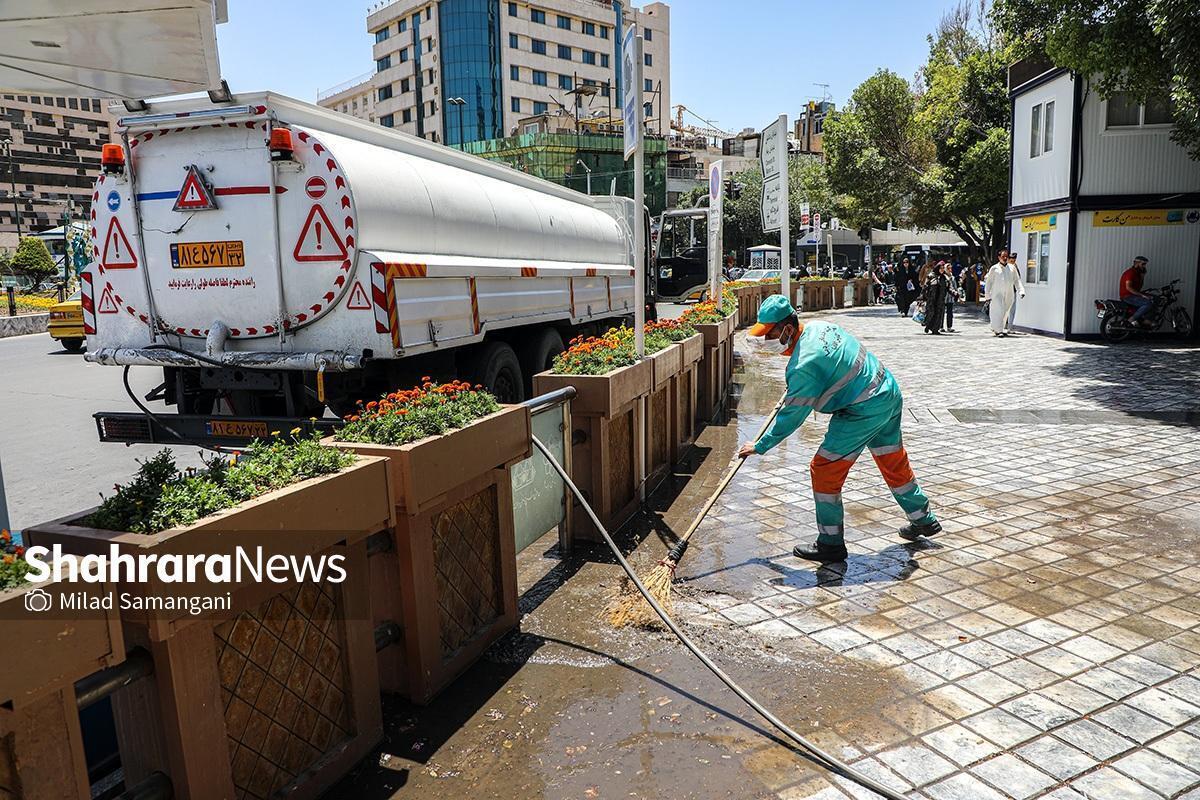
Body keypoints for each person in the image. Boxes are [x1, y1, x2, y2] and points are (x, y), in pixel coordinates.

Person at [738, 295, 941, 562]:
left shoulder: (803, 365)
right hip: (887, 391)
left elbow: (792, 416)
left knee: (824, 469)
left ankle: (830, 543)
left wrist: (760, 445)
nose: (767, 341)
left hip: (862, 409)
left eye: (770, 334)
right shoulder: (819, 328)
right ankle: (923, 518)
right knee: (892, 459)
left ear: (787, 329)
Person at [985, 248, 1024, 336]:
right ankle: (999, 330)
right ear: (999, 257)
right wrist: (987, 295)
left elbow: (1017, 280)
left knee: (1005, 312)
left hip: (1009, 294)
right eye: (1003, 256)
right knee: (998, 310)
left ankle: (999, 328)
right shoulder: (994, 268)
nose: (1005, 258)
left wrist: (1021, 291)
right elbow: (989, 282)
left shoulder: (1012, 268)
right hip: (997, 294)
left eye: (1006, 256)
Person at [1119, 256, 1153, 326]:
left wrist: (1142, 277)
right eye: (1143, 264)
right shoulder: (1130, 273)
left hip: (1133, 295)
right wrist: (1142, 295)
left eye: (1145, 264)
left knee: (1153, 298)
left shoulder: (1137, 274)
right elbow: (1128, 288)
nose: (1144, 266)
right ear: (1137, 263)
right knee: (1147, 303)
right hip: (1127, 296)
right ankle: (1132, 319)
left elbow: (1139, 287)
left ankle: (1146, 320)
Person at [922, 262, 949, 335]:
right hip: (931, 299)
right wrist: (923, 297)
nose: (942, 270)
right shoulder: (931, 276)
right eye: (941, 268)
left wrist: (956, 294)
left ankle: (935, 329)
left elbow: (949, 288)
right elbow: (925, 287)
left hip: (940, 299)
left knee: (938, 314)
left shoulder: (944, 278)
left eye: (943, 269)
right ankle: (928, 326)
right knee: (931, 313)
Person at [1005, 252, 1024, 330]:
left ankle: (1010, 327)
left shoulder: (1015, 267)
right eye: (1011, 260)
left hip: (1013, 291)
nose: (1013, 261)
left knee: (1012, 310)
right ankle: (1001, 326)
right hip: (1004, 291)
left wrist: (1020, 291)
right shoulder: (1004, 267)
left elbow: (1018, 279)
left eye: (1014, 260)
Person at [944, 262, 961, 332]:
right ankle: (940, 326)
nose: (949, 269)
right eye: (948, 268)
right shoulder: (943, 277)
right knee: (941, 313)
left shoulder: (953, 277)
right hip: (943, 297)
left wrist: (958, 296)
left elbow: (955, 287)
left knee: (950, 313)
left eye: (950, 268)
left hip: (950, 298)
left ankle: (949, 327)